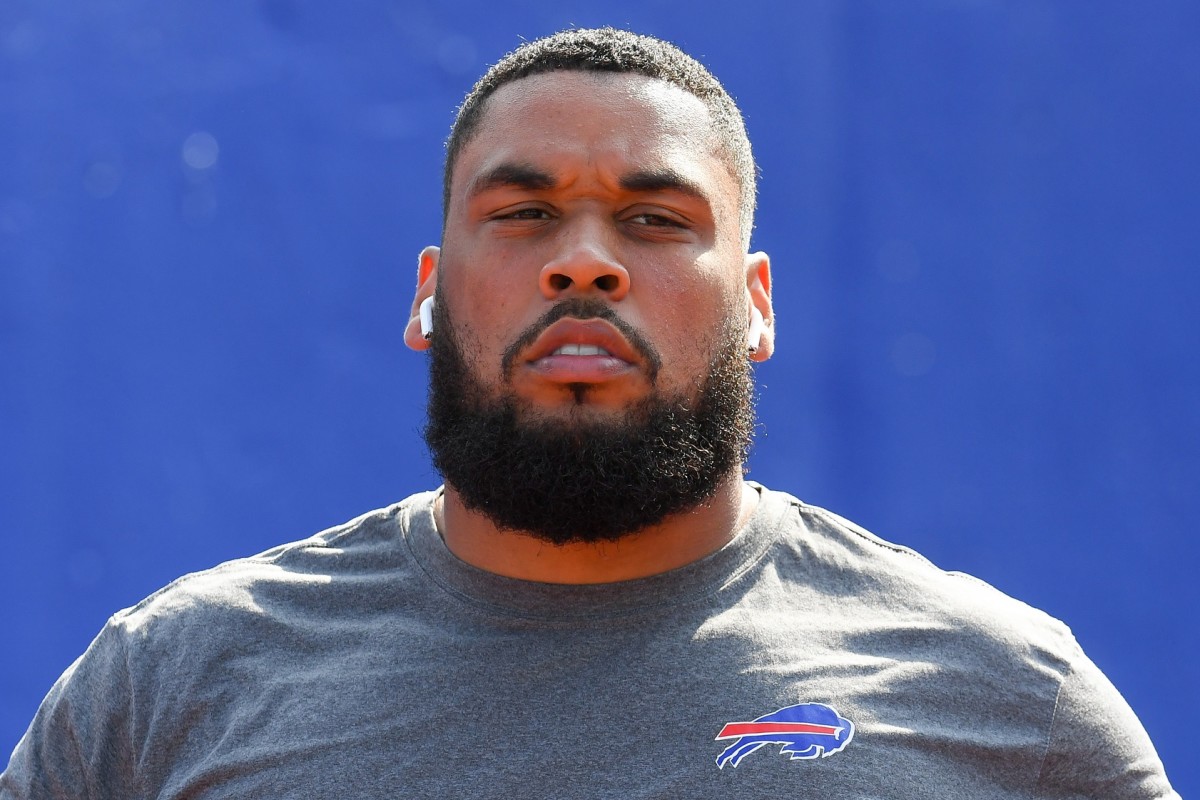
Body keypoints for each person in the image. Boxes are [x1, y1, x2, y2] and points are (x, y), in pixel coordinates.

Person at [2, 27, 1179, 799]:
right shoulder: (167, 690)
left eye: (656, 220)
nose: (584, 263)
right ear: (427, 291)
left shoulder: (1006, 705)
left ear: (757, 306)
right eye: (522, 215)